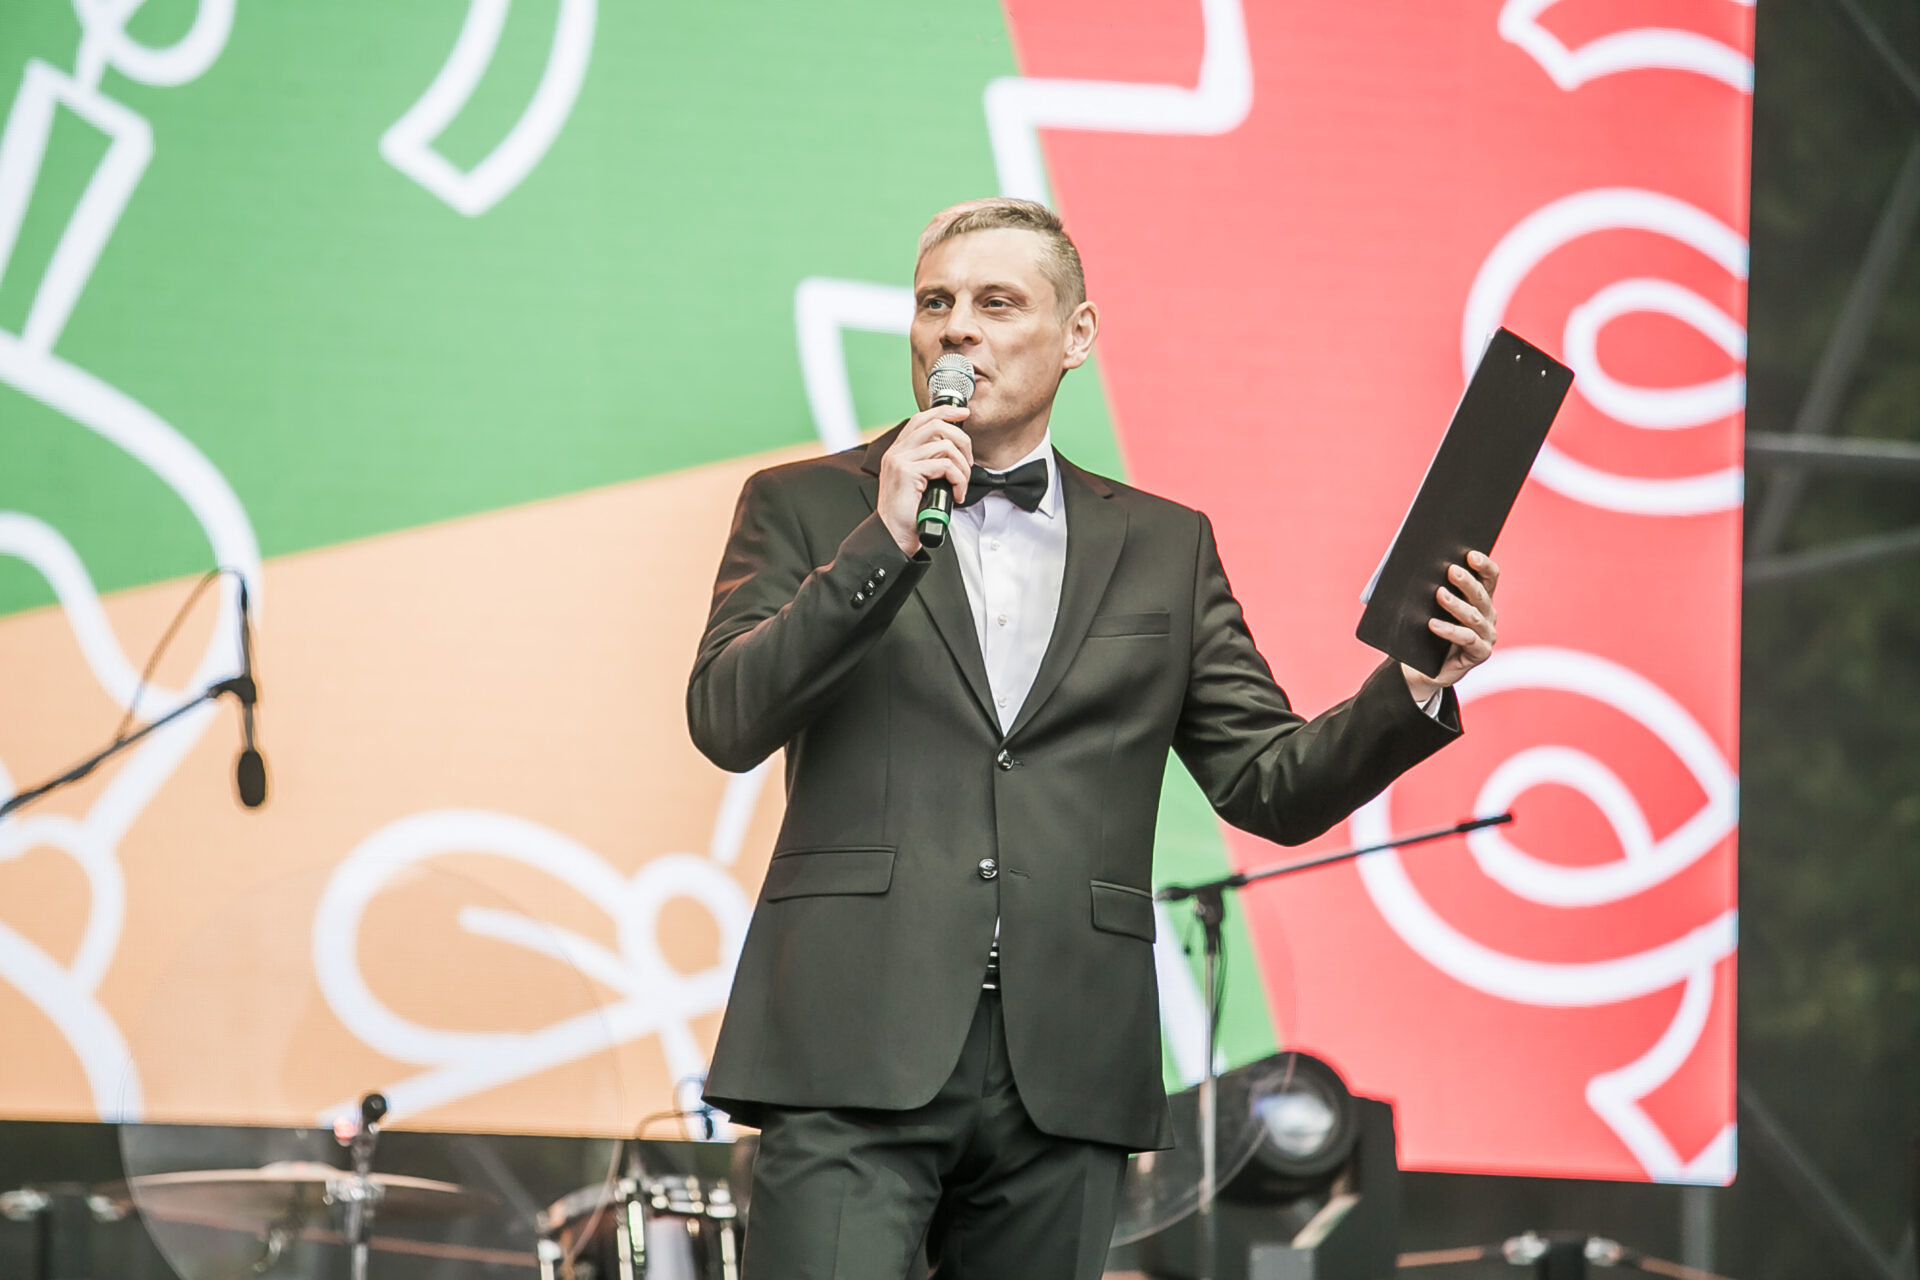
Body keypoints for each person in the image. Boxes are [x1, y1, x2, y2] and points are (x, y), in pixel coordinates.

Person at [687, 198, 1500, 1280]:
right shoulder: (805, 504)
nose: (957, 328)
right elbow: (728, 717)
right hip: (850, 1040)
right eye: (935, 303)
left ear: (1077, 335)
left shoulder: (1164, 544)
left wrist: (1414, 688)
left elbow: (1272, 783)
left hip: (1065, 1061)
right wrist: (883, 541)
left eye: (997, 303)